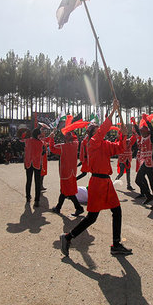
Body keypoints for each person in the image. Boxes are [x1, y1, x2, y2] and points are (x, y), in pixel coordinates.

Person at [60, 100, 132, 257]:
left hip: (106, 182)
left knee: (117, 211)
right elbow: (101, 133)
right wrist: (113, 112)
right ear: (92, 133)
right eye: (98, 130)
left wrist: (124, 134)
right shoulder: (92, 143)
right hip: (97, 183)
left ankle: (116, 244)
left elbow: (120, 147)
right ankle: (67, 237)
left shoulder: (105, 144)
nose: (101, 131)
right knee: (92, 217)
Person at [48, 129, 84, 217]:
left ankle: (78, 208)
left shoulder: (63, 146)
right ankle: (58, 207)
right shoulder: (75, 144)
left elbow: (52, 148)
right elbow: (76, 140)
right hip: (72, 171)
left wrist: (51, 138)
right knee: (65, 190)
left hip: (65, 172)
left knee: (67, 191)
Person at [133, 115, 153, 209]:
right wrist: (134, 123)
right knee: (138, 180)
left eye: (143, 131)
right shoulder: (143, 137)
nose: (141, 133)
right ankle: (149, 196)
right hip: (144, 162)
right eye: (141, 132)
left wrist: (147, 121)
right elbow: (137, 131)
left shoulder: (152, 138)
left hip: (151, 164)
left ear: (146, 132)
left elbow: (152, 130)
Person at [22, 128, 45, 207]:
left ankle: (28, 197)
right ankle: (37, 200)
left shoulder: (27, 141)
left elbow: (25, 151)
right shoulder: (41, 143)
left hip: (28, 163)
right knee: (37, 182)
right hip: (37, 164)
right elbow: (43, 152)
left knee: (28, 181)